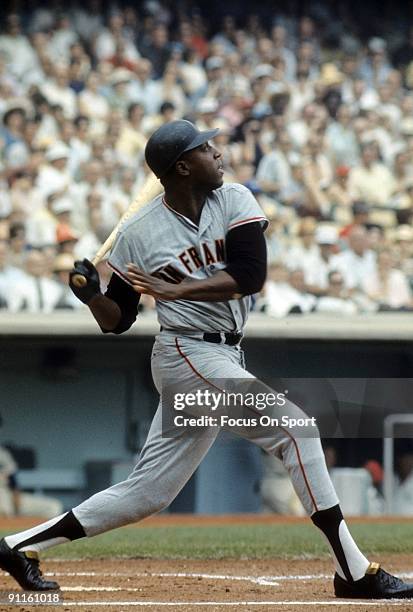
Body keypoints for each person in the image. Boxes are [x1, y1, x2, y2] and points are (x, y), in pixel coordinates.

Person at [1, 120, 412, 600]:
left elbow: (250, 274)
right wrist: (93, 296)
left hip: (223, 351)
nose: (217, 153)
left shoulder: (235, 198)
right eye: (204, 148)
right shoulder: (137, 233)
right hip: (186, 353)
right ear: (181, 166)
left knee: (147, 494)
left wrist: (178, 288)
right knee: (296, 431)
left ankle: (16, 546)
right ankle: (354, 572)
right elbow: (117, 321)